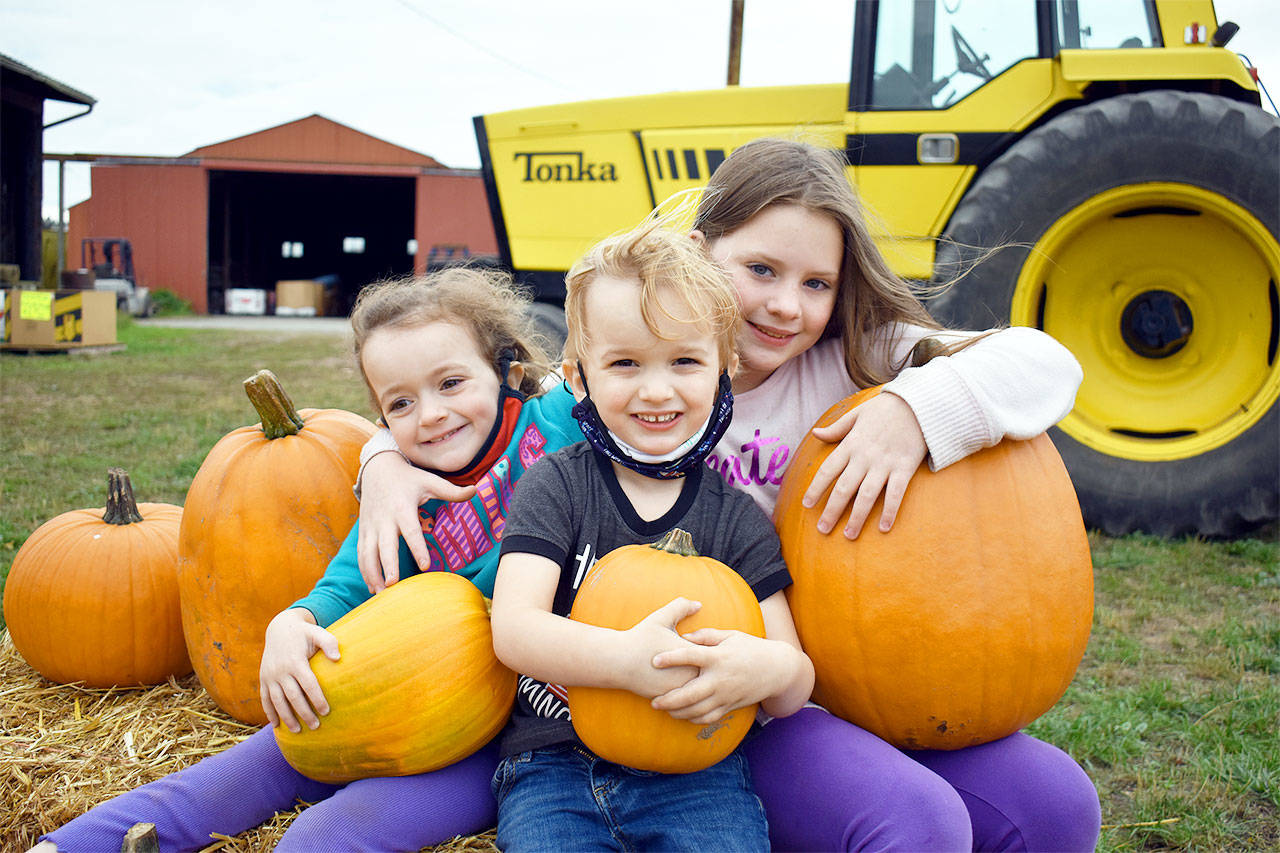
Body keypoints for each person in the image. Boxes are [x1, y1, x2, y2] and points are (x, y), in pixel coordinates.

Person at [359, 137, 1101, 851]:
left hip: (856, 672)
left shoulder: (852, 358)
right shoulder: (634, 391)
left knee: (1055, 808)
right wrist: (380, 456)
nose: (786, 305)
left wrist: (914, 411)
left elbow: (1045, 362)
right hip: (752, 705)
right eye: (761, 269)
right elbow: (487, 424)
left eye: (816, 283)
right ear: (700, 251)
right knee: (915, 819)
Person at [34, 268, 583, 852]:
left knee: (325, 835)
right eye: (401, 402)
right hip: (390, 699)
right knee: (242, 771)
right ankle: (68, 846)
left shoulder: (556, 430)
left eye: (451, 383)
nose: (430, 415)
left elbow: (621, 374)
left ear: (507, 373)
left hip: (496, 736)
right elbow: (341, 587)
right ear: (381, 417)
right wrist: (290, 624)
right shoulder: (400, 497)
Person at [488, 221, 814, 852]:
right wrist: (624, 664)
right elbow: (515, 630)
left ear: (725, 370)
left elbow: (795, 679)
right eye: (626, 363)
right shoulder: (557, 487)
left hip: (699, 773)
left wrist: (766, 668)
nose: (657, 390)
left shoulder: (735, 519)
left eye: (685, 361)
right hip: (553, 764)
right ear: (579, 378)